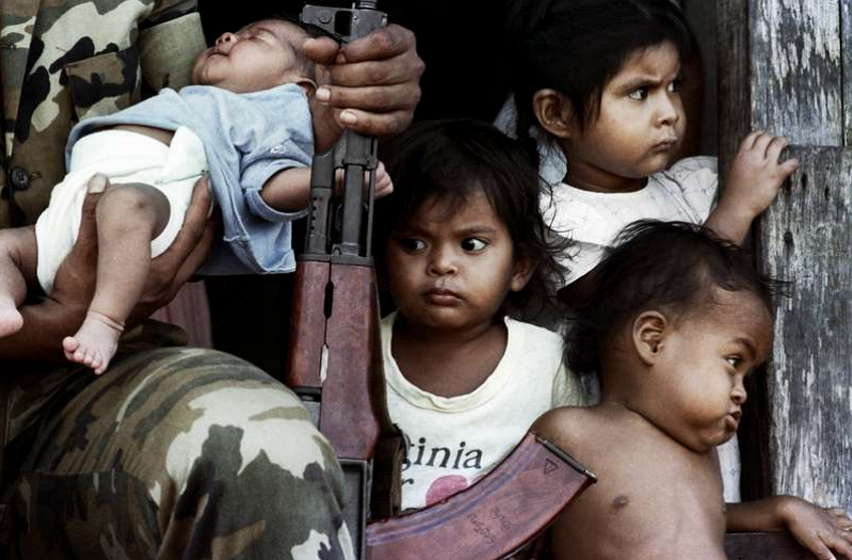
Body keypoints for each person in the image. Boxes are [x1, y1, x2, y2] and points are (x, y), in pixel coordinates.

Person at [0, 1, 424, 557]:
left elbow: (245, 172)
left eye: (253, 37)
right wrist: (55, 321)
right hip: (65, 289)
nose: (227, 37)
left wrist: (351, 101)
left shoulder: (243, 105)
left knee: (262, 444)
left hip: (89, 370)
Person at [501, 0, 798, 502]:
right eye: (639, 92)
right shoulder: (555, 221)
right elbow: (661, 301)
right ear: (557, 113)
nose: (670, 113)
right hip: (620, 459)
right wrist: (736, 211)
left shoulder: (687, 188)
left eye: (673, 86)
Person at [0, 16, 393, 374]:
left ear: (297, 88)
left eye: (256, 38)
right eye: (237, 31)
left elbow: (267, 188)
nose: (228, 35)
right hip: (72, 210)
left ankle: (104, 321)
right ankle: (4, 305)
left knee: (126, 206)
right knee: (8, 247)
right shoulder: (197, 99)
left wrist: (332, 180)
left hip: (149, 203)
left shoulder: (270, 119)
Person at [533, 220, 852, 560]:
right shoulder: (571, 434)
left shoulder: (702, 458)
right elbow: (507, 529)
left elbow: (692, 523)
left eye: (746, 375)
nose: (741, 392)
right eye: (733, 361)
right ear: (653, 340)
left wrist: (780, 509)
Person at [373, 119, 592, 511]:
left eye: (471, 244)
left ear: (520, 266)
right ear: (382, 261)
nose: (442, 263)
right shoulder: (356, 354)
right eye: (414, 243)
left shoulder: (546, 362)